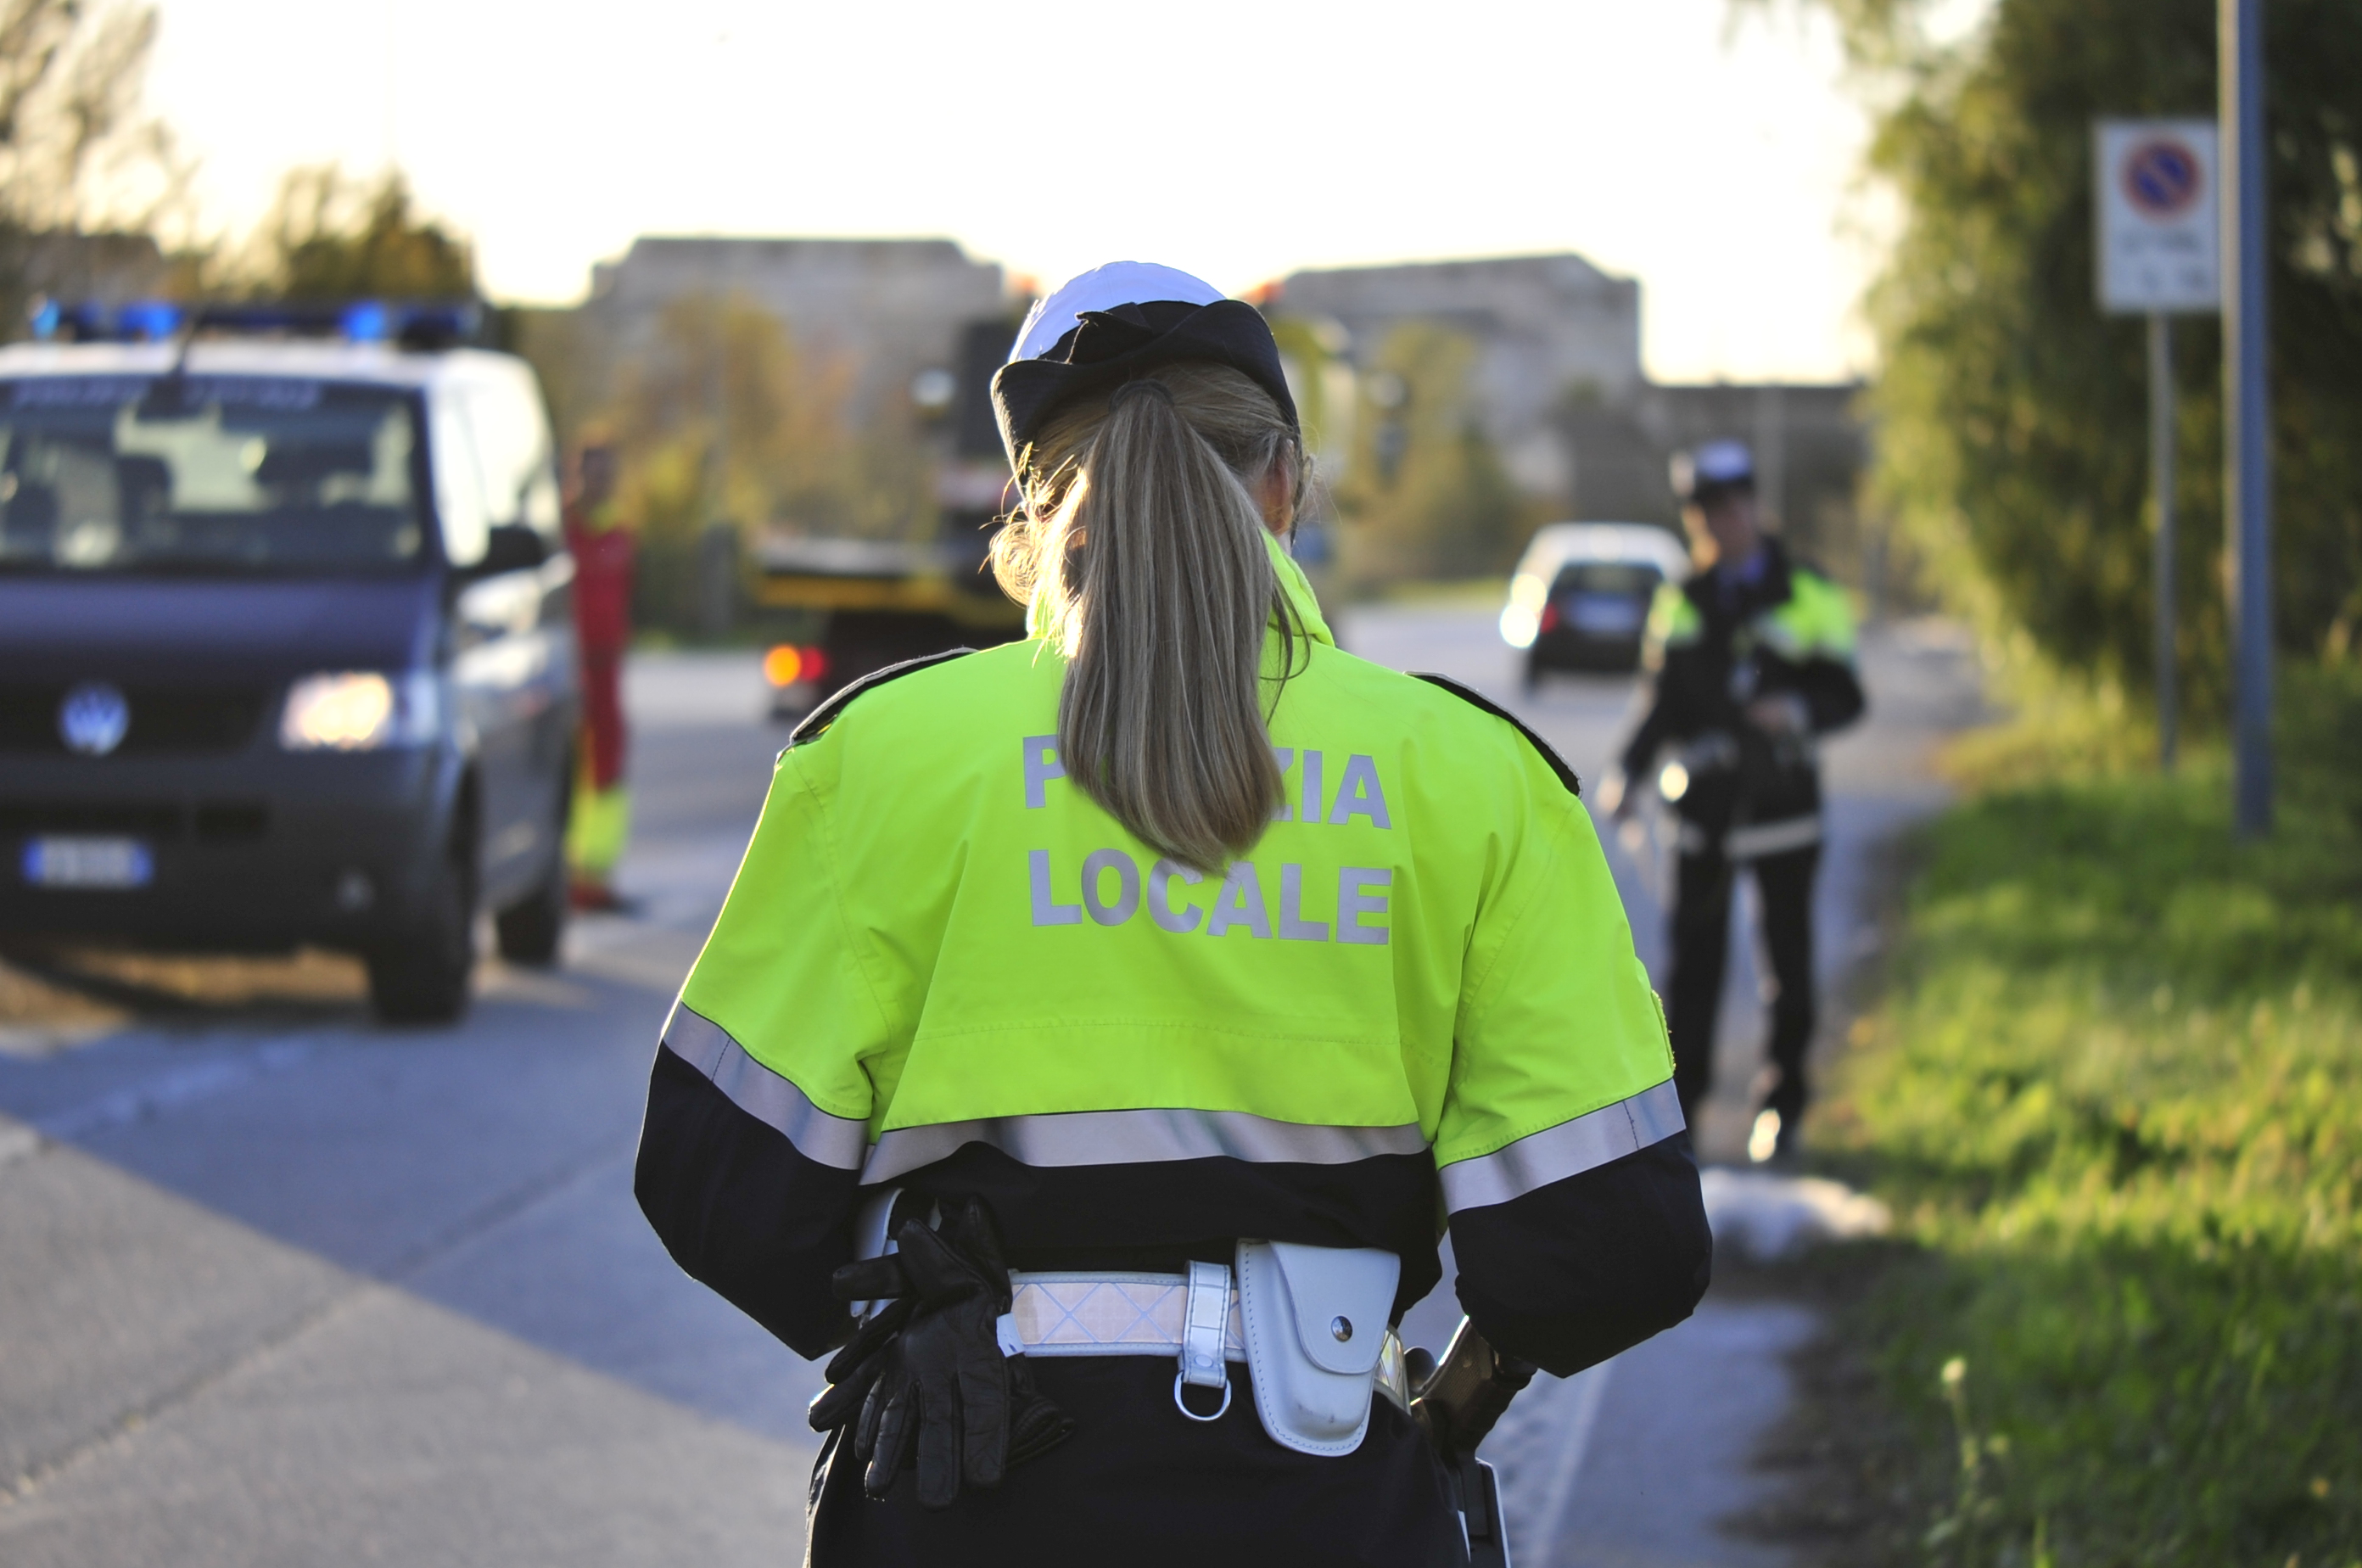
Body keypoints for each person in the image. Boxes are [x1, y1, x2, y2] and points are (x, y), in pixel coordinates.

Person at [634, 262, 1710, 1565]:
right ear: (1286, 489)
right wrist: (1447, 1408)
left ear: (1030, 513)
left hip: (968, 1503)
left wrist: (904, 1304)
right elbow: (1611, 1246)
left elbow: (714, 1183)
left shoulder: (881, 758)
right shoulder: (1474, 779)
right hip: (1326, 1507)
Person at [1604, 440, 1865, 1162]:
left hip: (1785, 811)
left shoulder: (1809, 590)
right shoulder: (1681, 598)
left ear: (1755, 504)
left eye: (1732, 505)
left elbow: (1848, 694)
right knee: (1692, 976)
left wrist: (1798, 710)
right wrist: (1626, 771)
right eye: (1706, 511)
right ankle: (1682, 1121)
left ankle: (1782, 1112)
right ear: (1696, 520)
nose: (1723, 521)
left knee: (1788, 966)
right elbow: (1659, 701)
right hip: (1704, 818)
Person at [563, 440, 634, 910]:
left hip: (607, 670)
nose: (600, 481)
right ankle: (566, 876)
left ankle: (598, 876)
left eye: (607, 472)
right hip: (568, 669)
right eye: (592, 471)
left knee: (607, 768)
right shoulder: (561, 533)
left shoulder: (623, 537)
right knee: (567, 768)